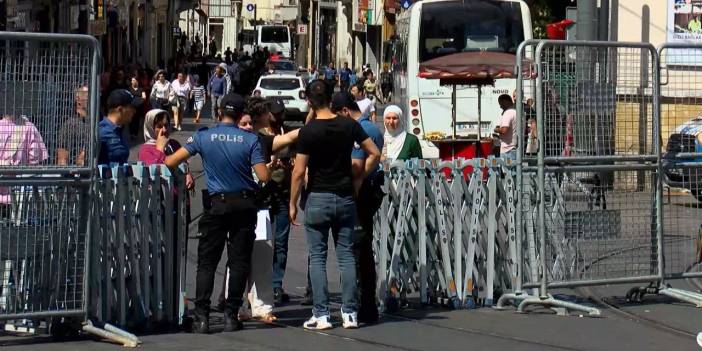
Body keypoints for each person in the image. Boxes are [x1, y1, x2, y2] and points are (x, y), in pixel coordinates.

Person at [165, 93, 270, 334]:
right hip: (243, 205)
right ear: (242, 114)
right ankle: (231, 316)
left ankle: (201, 317)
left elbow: (171, 161)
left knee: (207, 262)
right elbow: (263, 176)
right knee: (239, 260)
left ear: (220, 111)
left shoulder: (203, 136)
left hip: (217, 205)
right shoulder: (250, 139)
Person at [289, 80, 381, 330]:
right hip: (345, 197)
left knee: (317, 258)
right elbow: (374, 153)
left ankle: (321, 314)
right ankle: (350, 313)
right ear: (331, 98)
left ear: (309, 101)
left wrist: (293, 203)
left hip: (318, 196)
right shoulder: (349, 125)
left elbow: (298, 171)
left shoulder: (308, 131)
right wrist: (358, 181)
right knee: (346, 257)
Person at [331, 92, 384, 323]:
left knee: (355, 251)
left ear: (344, 111)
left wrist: (351, 191)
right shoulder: (369, 128)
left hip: (360, 195)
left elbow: (356, 167)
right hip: (365, 193)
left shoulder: (360, 130)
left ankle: (361, 304)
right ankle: (365, 304)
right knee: (360, 251)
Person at [138, 108, 195, 190]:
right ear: (150, 127)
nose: (164, 130)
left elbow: (184, 164)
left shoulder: (174, 144)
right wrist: (160, 150)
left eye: (166, 125)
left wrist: (188, 174)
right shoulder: (145, 150)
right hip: (160, 197)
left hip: (179, 196)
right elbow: (154, 173)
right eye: (159, 126)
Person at [98, 89, 142, 164]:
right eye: (131, 108)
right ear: (120, 109)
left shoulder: (121, 130)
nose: (134, 111)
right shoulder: (101, 132)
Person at [57, 85, 90, 166]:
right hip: (77, 175)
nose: (94, 99)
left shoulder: (96, 123)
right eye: (89, 96)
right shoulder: (71, 125)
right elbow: (62, 159)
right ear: (78, 99)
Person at [494, 94, 517, 159]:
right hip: (515, 148)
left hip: (507, 150)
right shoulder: (517, 112)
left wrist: (496, 129)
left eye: (501, 103)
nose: (500, 106)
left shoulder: (508, 113)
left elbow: (504, 130)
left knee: (507, 169)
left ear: (505, 101)